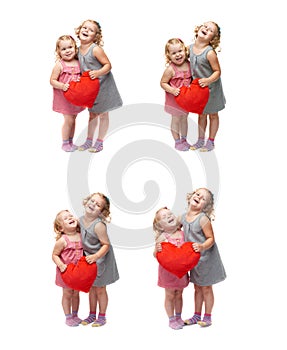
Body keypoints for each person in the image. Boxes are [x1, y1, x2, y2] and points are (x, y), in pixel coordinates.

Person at [179, 188, 226, 327]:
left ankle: (208, 316)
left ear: (205, 207)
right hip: (194, 260)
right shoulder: (182, 217)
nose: (199, 197)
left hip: (206, 259)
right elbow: (174, 228)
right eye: (197, 194)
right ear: (191, 196)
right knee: (197, 288)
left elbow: (211, 238)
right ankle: (196, 315)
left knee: (206, 288)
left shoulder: (203, 219)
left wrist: (202, 246)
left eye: (203, 198)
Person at [75, 19, 123, 153]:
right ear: (79, 30)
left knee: (103, 114)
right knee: (91, 115)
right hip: (91, 89)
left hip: (103, 86)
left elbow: (108, 65)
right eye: (84, 28)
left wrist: (98, 72)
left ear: (95, 36)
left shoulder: (95, 49)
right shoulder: (77, 50)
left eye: (91, 30)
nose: (86, 31)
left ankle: (100, 142)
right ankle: (89, 140)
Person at [79, 192, 119, 326]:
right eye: (92, 201)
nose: (93, 205)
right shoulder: (79, 221)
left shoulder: (98, 225)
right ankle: (91, 314)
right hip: (89, 259)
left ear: (101, 212)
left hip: (101, 259)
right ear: (86, 201)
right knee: (91, 288)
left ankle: (102, 316)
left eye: (98, 205)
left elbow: (106, 245)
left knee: (100, 288)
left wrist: (96, 256)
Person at [189, 21, 226, 152]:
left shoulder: (210, 53)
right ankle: (200, 140)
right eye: (205, 26)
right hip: (199, 90)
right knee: (201, 115)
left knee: (213, 115)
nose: (206, 28)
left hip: (212, 90)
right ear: (198, 28)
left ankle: (210, 141)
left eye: (210, 30)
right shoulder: (189, 48)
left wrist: (208, 80)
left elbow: (217, 71)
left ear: (213, 38)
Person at [153, 207, 189, 330]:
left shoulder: (183, 234)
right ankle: (171, 319)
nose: (168, 216)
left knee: (179, 294)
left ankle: (179, 317)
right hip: (167, 272)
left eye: (170, 214)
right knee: (169, 295)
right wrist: (156, 251)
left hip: (181, 272)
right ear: (160, 226)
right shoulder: (163, 237)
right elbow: (155, 254)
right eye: (164, 217)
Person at [50, 35, 85, 152]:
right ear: (59, 52)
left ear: (75, 48)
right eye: (63, 49)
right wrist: (62, 86)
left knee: (73, 119)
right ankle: (65, 143)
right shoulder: (59, 65)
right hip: (64, 98)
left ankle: (70, 141)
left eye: (70, 47)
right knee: (68, 120)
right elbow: (52, 80)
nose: (67, 50)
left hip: (76, 97)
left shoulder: (79, 62)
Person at [52, 210, 83, 327]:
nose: (70, 218)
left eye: (71, 216)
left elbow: (84, 221)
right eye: (66, 218)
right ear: (60, 228)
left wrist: (75, 220)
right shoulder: (62, 240)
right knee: (67, 294)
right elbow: (54, 255)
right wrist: (60, 265)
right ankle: (68, 317)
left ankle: (75, 315)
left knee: (76, 294)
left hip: (78, 272)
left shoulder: (81, 236)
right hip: (66, 272)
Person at [160, 38, 192, 151]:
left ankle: (184, 139)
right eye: (174, 53)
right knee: (176, 119)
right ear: (168, 55)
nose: (178, 55)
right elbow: (162, 83)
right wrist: (172, 90)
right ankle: (177, 141)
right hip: (174, 100)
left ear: (185, 51)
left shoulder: (189, 65)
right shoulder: (170, 69)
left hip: (186, 99)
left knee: (184, 118)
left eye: (180, 51)